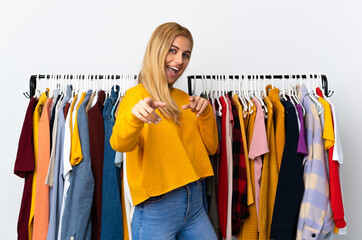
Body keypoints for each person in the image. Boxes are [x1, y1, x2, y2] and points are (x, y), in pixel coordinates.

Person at [110, 22, 218, 240]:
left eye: (186, 54)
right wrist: (134, 117)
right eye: (173, 50)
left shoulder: (185, 99)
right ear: (156, 50)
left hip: (194, 203)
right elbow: (119, 144)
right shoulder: (135, 97)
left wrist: (206, 114)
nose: (180, 60)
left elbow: (212, 147)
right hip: (157, 210)